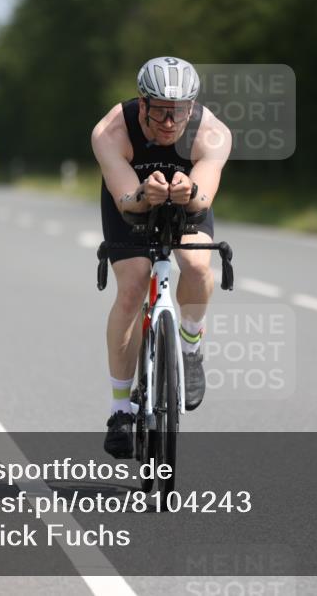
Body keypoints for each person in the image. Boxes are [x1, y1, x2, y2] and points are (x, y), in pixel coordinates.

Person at [91, 56, 231, 458]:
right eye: (160, 112)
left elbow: (202, 200)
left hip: (186, 200)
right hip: (131, 201)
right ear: (142, 103)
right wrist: (143, 194)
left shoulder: (212, 133)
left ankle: (190, 344)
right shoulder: (111, 131)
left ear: (193, 106)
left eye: (180, 112)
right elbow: (126, 201)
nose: (170, 122)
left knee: (198, 265)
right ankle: (120, 409)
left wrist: (189, 192)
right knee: (133, 286)